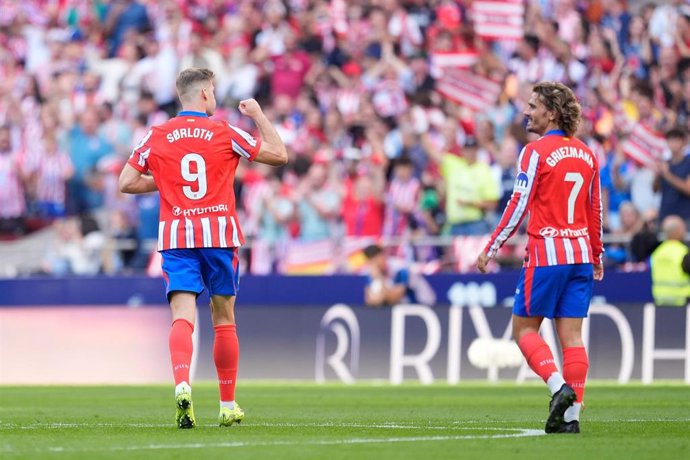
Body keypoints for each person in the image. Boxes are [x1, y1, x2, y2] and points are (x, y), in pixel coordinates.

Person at [119, 67, 287, 429]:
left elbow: (127, 182)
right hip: (219, 236)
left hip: (177, 236)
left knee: (182, 316)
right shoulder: (225, 131)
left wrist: (167, 181)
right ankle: (227, 404)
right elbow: (279, 154)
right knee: (224, 319)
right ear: (205, 95)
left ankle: (182, 386)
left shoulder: (157, 134)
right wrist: (257, 114)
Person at [476, 82, 604, 435]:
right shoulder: (587, 153)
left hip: (547, 254)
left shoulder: (535, 152)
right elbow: (594, 208)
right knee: (573, 338)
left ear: (551, 112)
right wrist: (596, 253)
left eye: (533, 106)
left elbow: (518, 205)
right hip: (579, 255)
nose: (526, 111)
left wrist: (492, 246)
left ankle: (557, 388)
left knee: (524, 329)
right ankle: (572, 418)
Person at [363, 244, 436, 308]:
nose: (373, 264)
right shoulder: (372, 271)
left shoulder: (400, 269)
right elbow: (369, 300)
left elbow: (394, 297)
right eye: (371, 262)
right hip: (403, 307)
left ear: (382, 256)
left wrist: (379, 278)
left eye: (375, 260)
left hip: (423, 303)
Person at [650, 215, 690, 307]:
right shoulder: (683, 252)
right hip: (682, 302)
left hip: (660, 301)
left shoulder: (657, 253)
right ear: (678, 231)